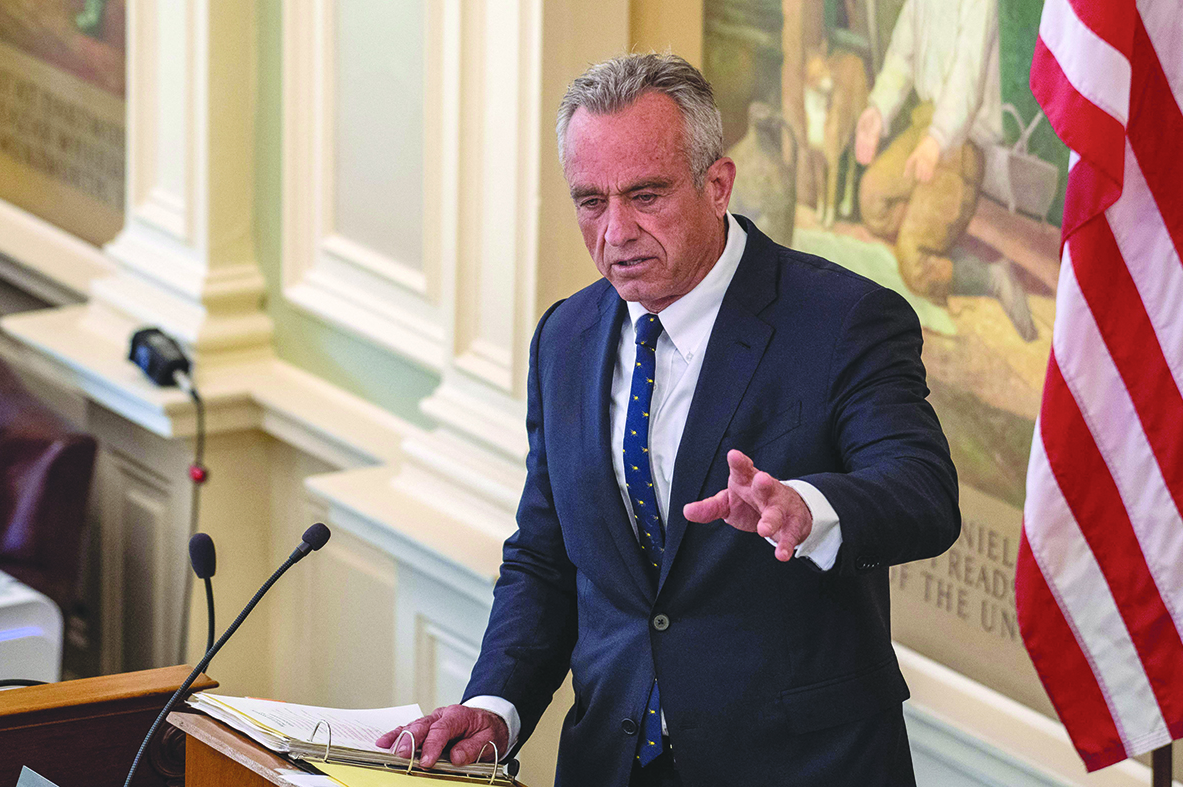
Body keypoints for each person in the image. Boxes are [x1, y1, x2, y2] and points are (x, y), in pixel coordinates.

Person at [378, 53, 960, 786]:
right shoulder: (565, 337)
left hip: (801, 765)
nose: (615, 231)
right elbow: (546, 556)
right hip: (612, 764)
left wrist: (805, 509)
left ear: (717, 185)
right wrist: (496, 705)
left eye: (645, 196)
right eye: (590, 201)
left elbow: (924, 494)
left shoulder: (843, 321)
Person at [853, 0, 1038, 341]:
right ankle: (931, 230)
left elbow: (966, 79)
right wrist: (878, 110)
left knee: (914, 264)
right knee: (872, 198)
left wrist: (937, 140)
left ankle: (990, 277)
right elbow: (901, 57)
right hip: (923, 124)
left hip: (961, 142)